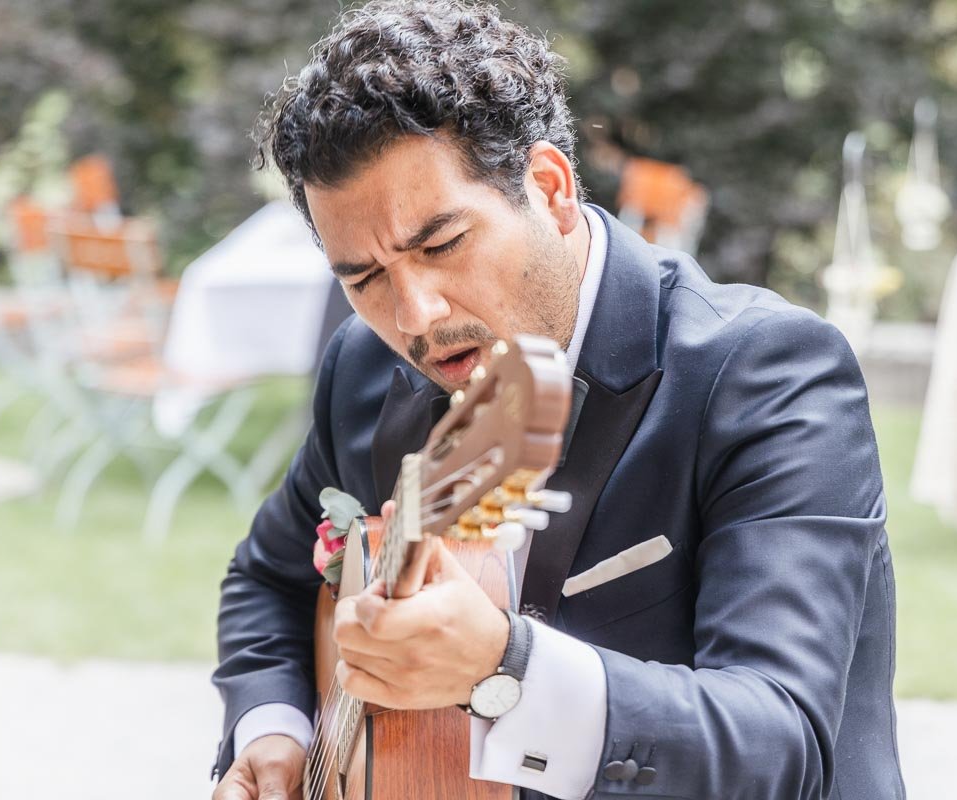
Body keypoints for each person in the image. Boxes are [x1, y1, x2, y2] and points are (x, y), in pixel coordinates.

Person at [211, 2, 905, 798]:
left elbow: (782, 745)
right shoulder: (366, 370)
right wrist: (276, 731)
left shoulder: (769, 373)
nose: (415, 318)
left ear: (550, 187)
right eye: (362, 278)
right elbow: (267, 577)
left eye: (440, 245)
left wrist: (504, 666)